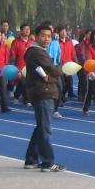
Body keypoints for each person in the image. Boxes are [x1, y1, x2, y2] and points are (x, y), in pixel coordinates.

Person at [23, 23, 65, 172]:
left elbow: (50, 74)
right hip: (43, 93)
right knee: (45, 129)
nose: (46, 39)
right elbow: (54, 70)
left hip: (43, 92)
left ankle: (31, 159)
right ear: (36, 36)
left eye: (49, 36)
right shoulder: (37, 52)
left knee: (41, 127)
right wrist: (59, 70)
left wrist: (51, 76)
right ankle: (47, 162)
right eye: (43, 36)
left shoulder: (38, 51)